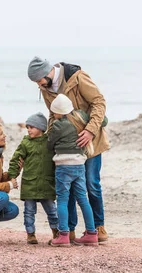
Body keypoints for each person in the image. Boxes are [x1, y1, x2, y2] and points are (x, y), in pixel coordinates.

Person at [27, 56, 110, 243]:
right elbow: (52, 116)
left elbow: (99, 102)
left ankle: (99, 228)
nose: (38, 85)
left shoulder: (78, 77)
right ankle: (69, 231)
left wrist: (90, 130)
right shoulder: (45, 88)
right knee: (69, 189)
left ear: (46, 73)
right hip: (67, 147)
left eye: (38, 80)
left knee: (91, 184)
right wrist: (49, 140)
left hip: (89, 142)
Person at [47, 94, 100, 247]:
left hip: (63, 166)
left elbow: (49, 144)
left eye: (54, 112)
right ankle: (91, 233)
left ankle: (64, 234)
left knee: (62, 199)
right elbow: (102, 120)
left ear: (58, 112)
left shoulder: (58, 125)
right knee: (82, 198)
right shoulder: (81, 117)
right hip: (79, 165)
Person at [7, 112, 59, 245]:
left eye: (31, 127)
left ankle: (56, 232)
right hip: (30, 183)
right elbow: (16, 159)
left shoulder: (49, 143)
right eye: (27, 127)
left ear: (41, 128)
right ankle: (30, 234)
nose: (29, 130)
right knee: (29, 211)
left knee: (52, 211)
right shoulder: (26, 143)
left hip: (47, 183)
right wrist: (13, 176)